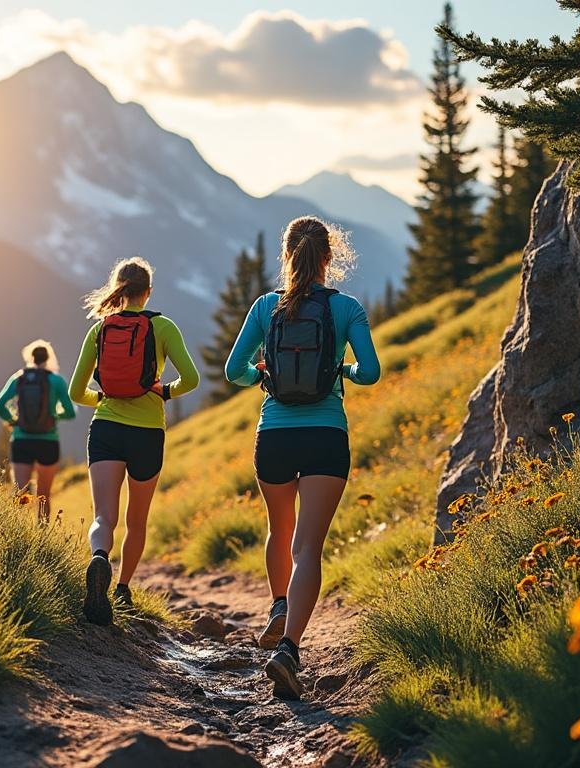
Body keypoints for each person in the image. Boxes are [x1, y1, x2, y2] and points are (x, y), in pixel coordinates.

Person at [224, 216, 380, 699]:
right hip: (325, 435)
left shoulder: (266, 306)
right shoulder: (347, 308)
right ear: (329, 257)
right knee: (307, 548)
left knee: (280, 529)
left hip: (274, 434)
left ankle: (277, 605)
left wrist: (263, 376)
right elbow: (370, 372)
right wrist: (342, 370)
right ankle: (289, 648)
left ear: (287, 254)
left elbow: (234, 371)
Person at [70, 257, 200, 625]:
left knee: (103, 516)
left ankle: (99, 558)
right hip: (147, 433)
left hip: (106, 428)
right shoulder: (163, 326)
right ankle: (123, 588)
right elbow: (190, 379)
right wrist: (164, 392)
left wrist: (104, 399)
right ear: (148, 291)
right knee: (136, 520)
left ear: (118, 289)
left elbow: (75, 392)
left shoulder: (100, 330)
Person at [0, 340, 76, 523]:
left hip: (22, 440)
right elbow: (70, 412)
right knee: (44, 494)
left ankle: (17, 533)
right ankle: (42, 535)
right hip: (48, 441)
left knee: (20, 493)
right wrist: (53, 415)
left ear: (30, 358)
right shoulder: (56, 381)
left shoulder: (19, 378)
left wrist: (14, 420)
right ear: (48, 358)